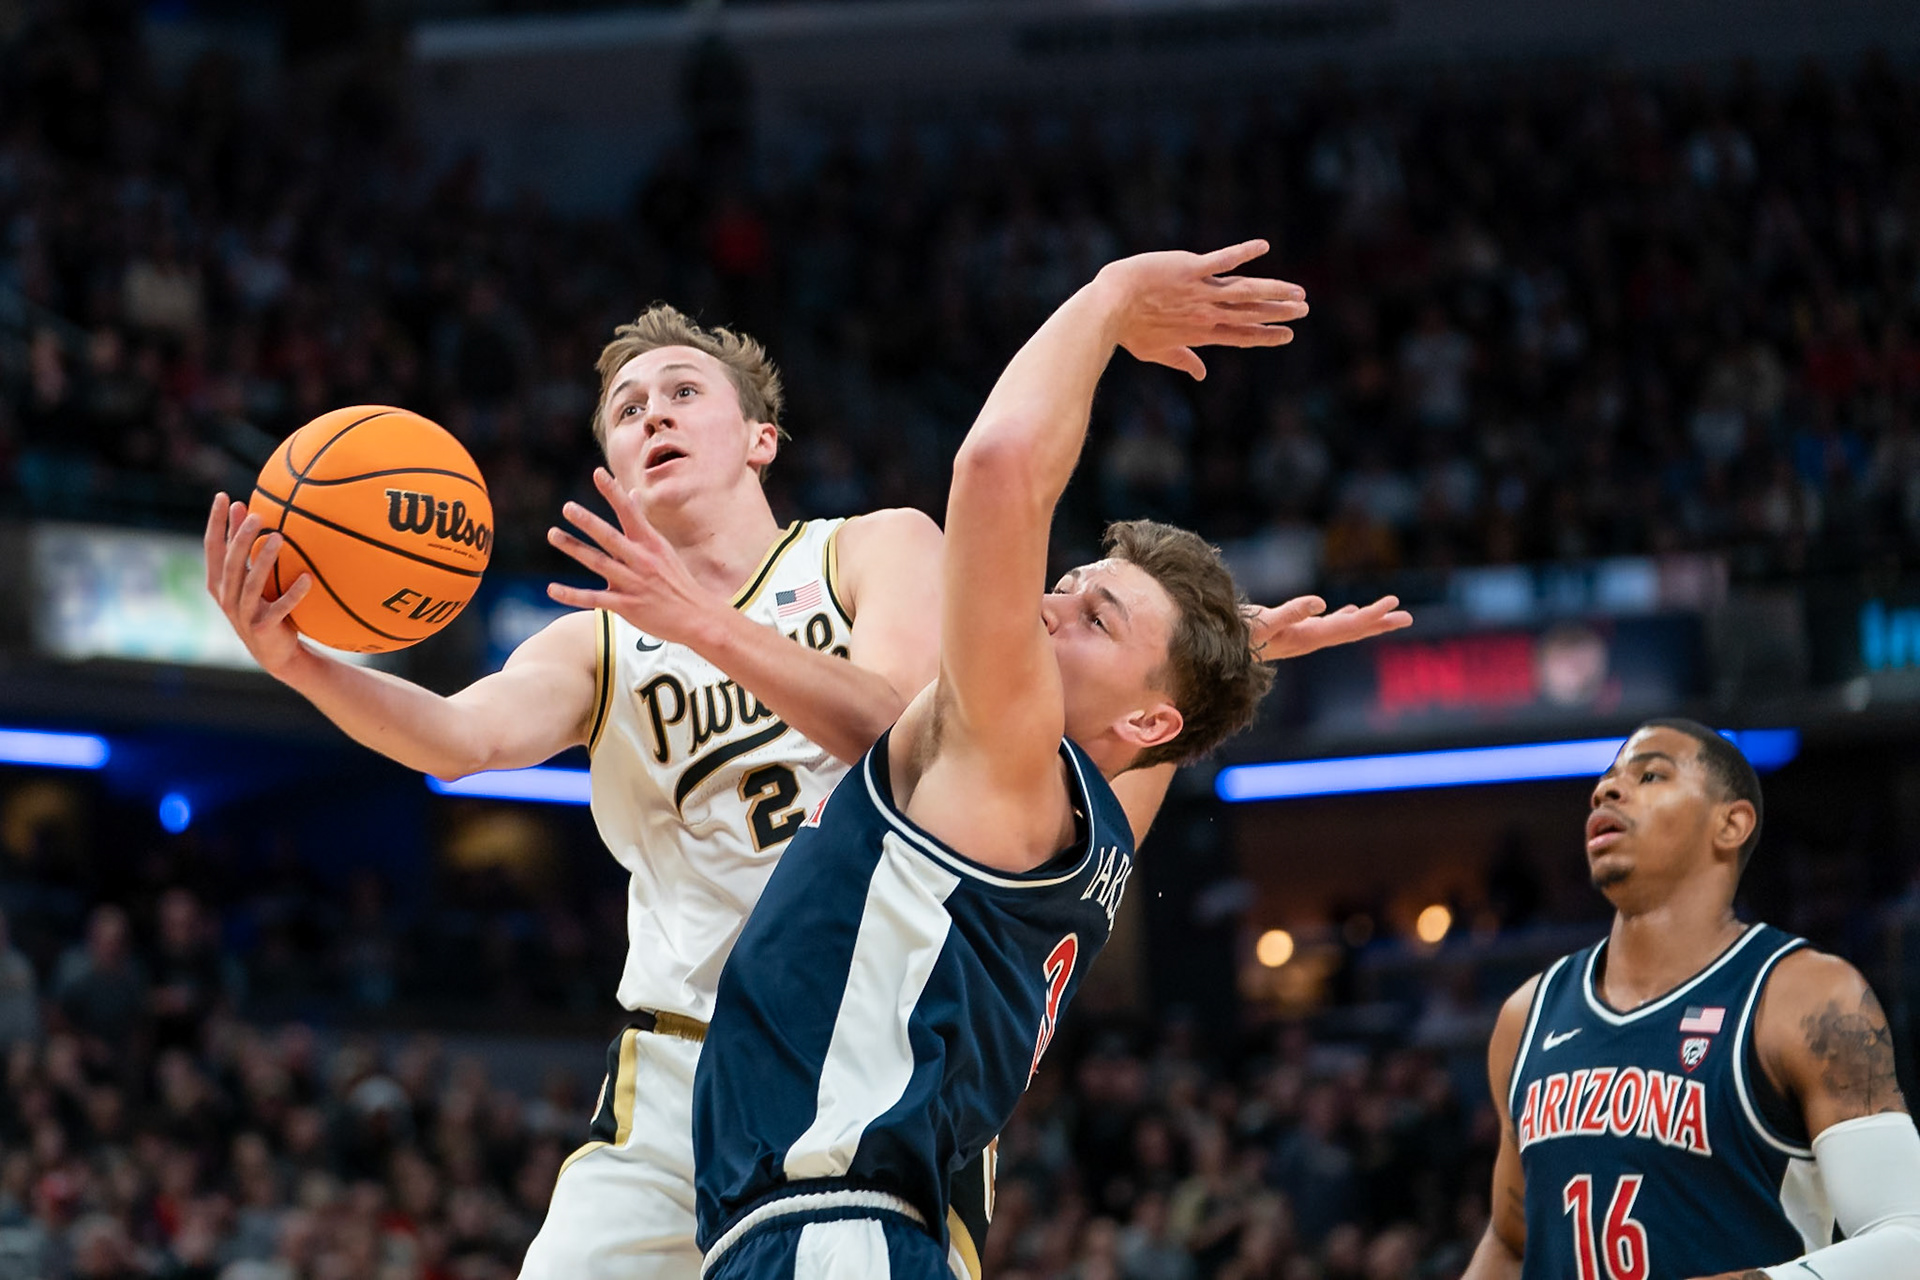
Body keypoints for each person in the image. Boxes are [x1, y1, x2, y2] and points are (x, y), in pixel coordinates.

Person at [207, 300, 1407, 1280]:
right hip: (680, 1072)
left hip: (873, 1072)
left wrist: (1198, 668)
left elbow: (906, 720)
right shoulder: (600, 641)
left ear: (759, 439)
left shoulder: (869, 547)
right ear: (609, 459)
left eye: (683, 392)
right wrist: (300, 659)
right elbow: (457, 739)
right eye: (627, 408)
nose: (652, 413)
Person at [690, 241, 1314, 1279]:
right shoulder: (1097, 823)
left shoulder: (1012, 762)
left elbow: (995, 469)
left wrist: (1109, 299)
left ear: (1148, 715)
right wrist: (1232, 654)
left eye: (1095, 617)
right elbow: (1162, 734)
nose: (1049, 602)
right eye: (1071, 581)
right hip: (859, 1232)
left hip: (831, 1231)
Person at [1461, 719, 1920, 1280]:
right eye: (1604, 781)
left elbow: (1907, 1239)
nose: (1604, 790)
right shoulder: (1527, 1014)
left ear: (1730, 824)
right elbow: (1511, 1244)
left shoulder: (1808, 997)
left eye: (1650, 774)